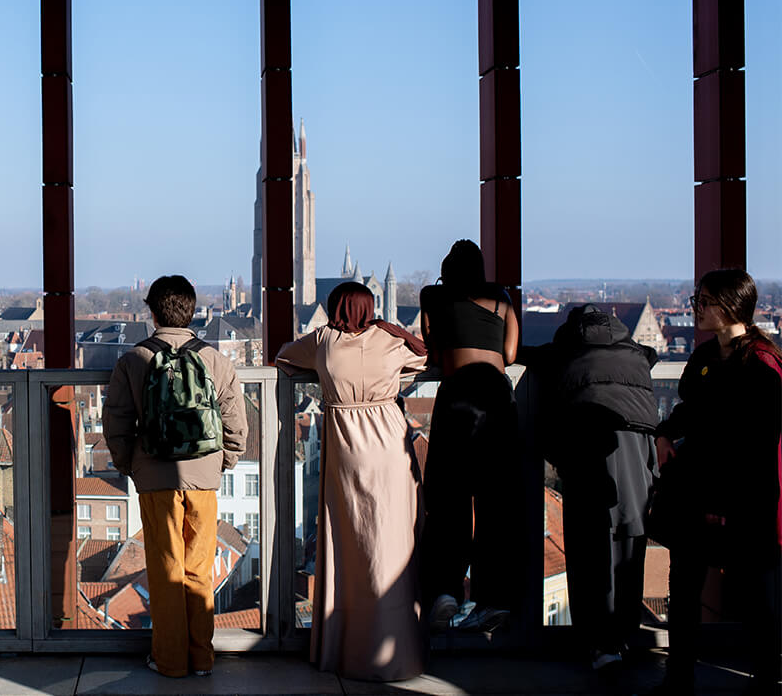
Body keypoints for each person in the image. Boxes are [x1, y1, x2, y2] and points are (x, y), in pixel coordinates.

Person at [276, 282, 429, 681]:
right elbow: (423, 356)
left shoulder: (324, 340)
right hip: (389, 447)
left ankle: (347, 649)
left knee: (348, 548)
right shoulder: (390, 342)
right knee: (392, 547)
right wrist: (393, 329)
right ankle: (395, 650)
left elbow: (284, 357)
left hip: (345, 448)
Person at [102, 275, 248, 678]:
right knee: (199, 569)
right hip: (203, 477)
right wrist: (224, 462)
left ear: (151, 312)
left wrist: (127, 465)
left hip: (155, 478)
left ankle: (168, 660)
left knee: (166, 570)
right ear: (194, 310)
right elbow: (237, 424)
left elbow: (116, 423)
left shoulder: (133, 359)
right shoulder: (215, 360)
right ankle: (202, 657)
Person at [653, 269, 781, 695]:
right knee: (684, 589)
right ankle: (679, 679)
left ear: (729, 306)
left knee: (756, 598)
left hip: (745, 504)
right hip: (700, 495)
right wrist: (665, 433)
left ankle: (765, 682)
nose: (697, 308)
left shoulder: (762, 367)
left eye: (704, 301)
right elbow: (691, 409)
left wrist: (724, 503)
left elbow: (759, 449)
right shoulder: (708, 357)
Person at [521, 304, 660, 670]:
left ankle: (599, 644)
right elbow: (653, 355)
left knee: (588, 547)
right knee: (629, 545)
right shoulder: (635, 353)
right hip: (636, 453)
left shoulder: (567, 351)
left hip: (588, 451)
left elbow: (529, 356)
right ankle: (623, 635)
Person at [417, 239, 521, 633]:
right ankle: (493, 597)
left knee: (448, 497)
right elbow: (510, 353)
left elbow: (434, 350)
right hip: (496, 397)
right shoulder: (501, 299)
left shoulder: (433, 296)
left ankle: (444, 592)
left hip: (457, 393)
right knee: (495, 501)